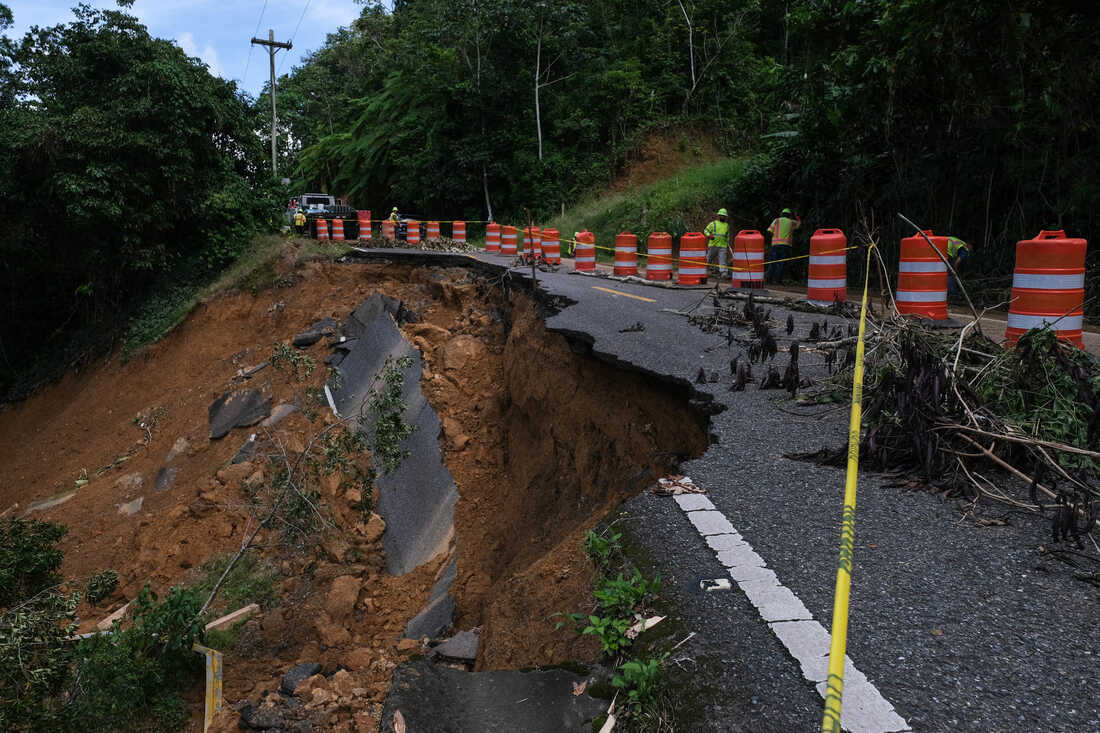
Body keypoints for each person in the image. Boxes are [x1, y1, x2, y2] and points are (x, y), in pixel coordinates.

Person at [765, 208, 801, 284]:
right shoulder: (791, 222)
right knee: (781, 263)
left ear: (782, 214)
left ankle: (769, 280)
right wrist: (797, 216)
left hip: (775, 245)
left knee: (773, 262)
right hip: (785, 245)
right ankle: (778, 280)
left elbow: (769, 231)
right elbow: (799, 224)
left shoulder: (776, 220)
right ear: (789, 215)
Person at [703, 208, 731, 281]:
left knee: (723, 260)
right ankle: (703, 271)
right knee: (708, 258)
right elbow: (705, 230)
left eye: (724, 216)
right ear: (719, 216)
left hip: (723, 246)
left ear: (725, 217)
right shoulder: (713, 223)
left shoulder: (726, 226)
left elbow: (727, 236)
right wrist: (709, 235)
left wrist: (727, 243)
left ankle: (724, 273)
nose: (722, 217)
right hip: (713, 245)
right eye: (721, 215)